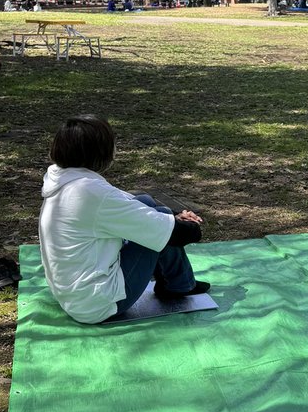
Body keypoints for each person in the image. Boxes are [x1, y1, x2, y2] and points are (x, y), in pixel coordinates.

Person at [38, 115, 209, 324]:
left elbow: (132, 202)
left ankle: (180, 283)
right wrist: (188, 224)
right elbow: (184, 234)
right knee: (160, 221)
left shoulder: (63, 178)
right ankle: (179, 286)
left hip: (72, 295)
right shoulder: (92, 193)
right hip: (98, 305)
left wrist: (175, 216)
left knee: (147, 203)